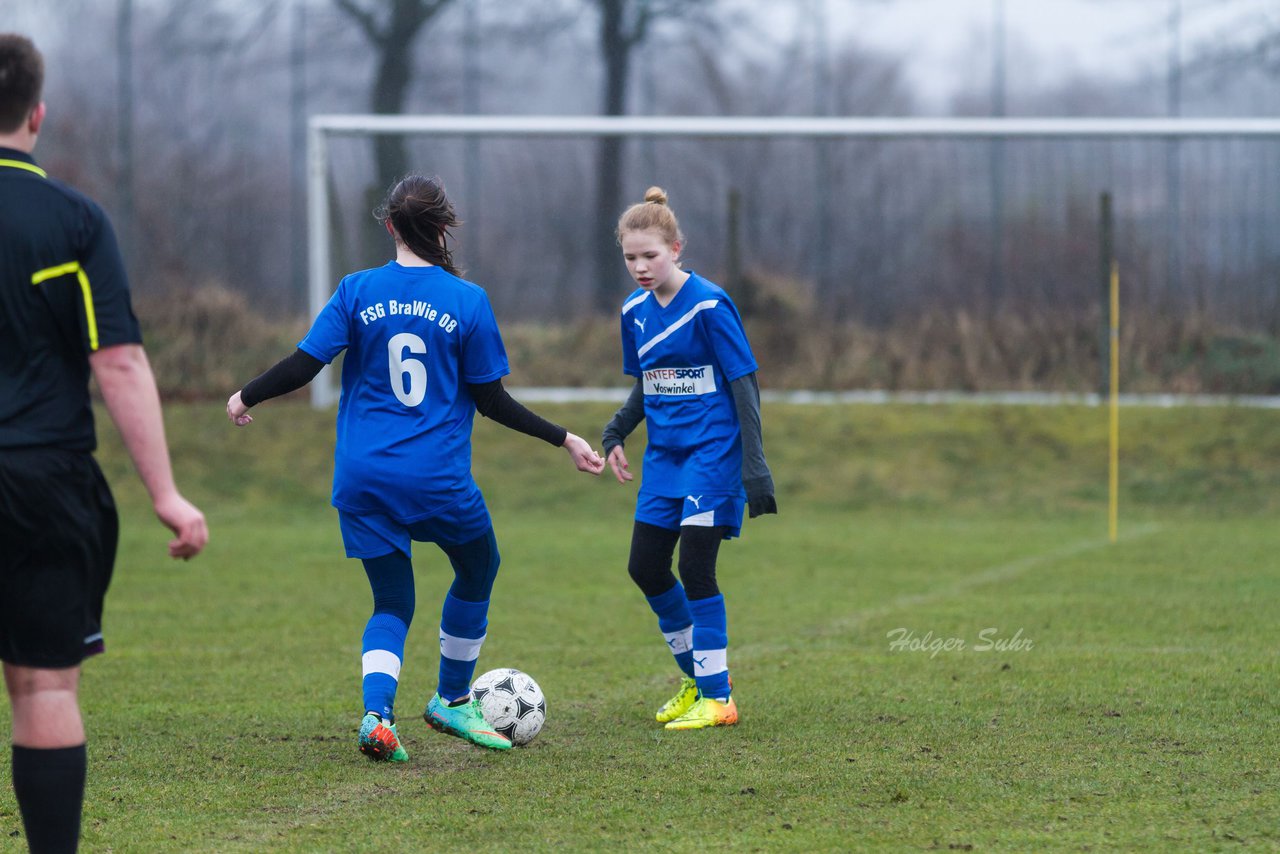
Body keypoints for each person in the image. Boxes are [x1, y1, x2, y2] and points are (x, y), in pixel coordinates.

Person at [227, 174, 604, 760]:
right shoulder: (467, 301)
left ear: (390, 227)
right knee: (479, 566)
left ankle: (378, 715)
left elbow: (304, 365)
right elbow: (491, 401)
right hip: (435, 478)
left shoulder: (356, 290)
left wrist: (245, 396)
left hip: (362, 477)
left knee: (391, 603)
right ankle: (451, 700)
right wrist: (563, 438)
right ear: (445, 229)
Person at [0, 34, 209, 854]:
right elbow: (118, 360)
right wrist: (165, 494)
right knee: (44, 687)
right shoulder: (74, 221)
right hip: (42, 478)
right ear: (38, 114)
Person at [601, 186, 777, 731]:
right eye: (630, 258)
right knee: (645, 568)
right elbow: (649, 386)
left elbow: (744, 385)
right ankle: (696, 681)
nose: (640, 267)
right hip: (665, 459)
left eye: (650, 255)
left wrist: (755, 467)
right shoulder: (633, 312)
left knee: (695, 568)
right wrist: (616, 431)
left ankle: (719, 698)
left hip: (713, 455)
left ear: (677, 248)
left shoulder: (709, 305)